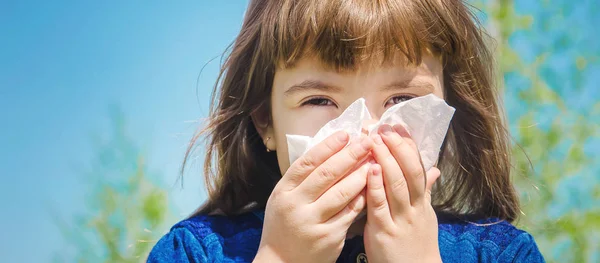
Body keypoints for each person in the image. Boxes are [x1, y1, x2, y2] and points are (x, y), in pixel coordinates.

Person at [148, 0, 545, 262]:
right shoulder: (195, 252)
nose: (367, 131)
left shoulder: (500, 254)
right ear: (265, 123)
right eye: (319, 100)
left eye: (403, 100)